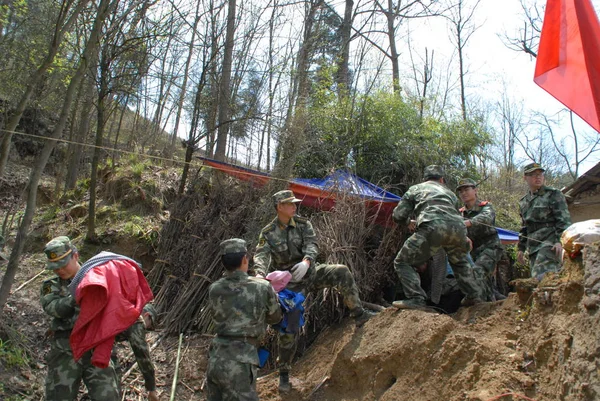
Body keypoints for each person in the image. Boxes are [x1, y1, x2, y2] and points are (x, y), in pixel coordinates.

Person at [253, 189, 375, 392]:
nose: (294, 206)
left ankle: (359, 314)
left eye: (294, 203)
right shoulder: (268, 232)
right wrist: (259, 274)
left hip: (310, 273)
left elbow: (313, 244)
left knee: (341, 272)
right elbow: (261, 255)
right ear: (279, 207)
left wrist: (307, 261)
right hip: (290, 285)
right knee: (289, 326)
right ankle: (284, 373)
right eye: (290, 203)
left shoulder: (303, 224)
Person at [40, 236, 120, 401]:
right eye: (55, 267)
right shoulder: (50, 285)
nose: (60, 270)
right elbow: (54, 308)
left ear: (75, 256)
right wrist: (78, 292)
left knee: (108, 396)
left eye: (63, 264)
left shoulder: (98, 276)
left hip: (96, 348)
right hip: (65, 351)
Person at [391, 165, 483, 310]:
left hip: (432, 228)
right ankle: (474, 296)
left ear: (425, 179)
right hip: (458, 229)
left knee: (402, 261)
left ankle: (416, 298)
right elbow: (455, 215)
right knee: (459, 263)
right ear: (441, 180)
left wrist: (408, 222)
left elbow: (398, 215)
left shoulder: (415, 189)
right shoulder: (450, 193)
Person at [206, 238, 282, 401]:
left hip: (216, 359)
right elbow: (275, 317)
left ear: (223, 262)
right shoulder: (261, 287)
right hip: (240, 361)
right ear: (244, 259)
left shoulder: (214, 289)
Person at [517, 163, 572, 279]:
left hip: (550, 244)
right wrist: (521, 249)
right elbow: (524, 227)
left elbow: (564, 220)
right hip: (533, 247)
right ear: (525, 178)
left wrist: (559, 241)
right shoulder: (523, 202)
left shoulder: (553, 194)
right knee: (537, 279)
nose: (538, 177)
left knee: (541, 277)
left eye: (540, 174)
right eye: (533, 175)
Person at [456, 178, 504, 301]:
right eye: (461, 191)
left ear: (475, 190)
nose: (464, 193)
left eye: (467, 189)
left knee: (478, 271)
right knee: (484, 282)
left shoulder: (486, 206)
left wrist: (468, 222)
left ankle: (478, 302)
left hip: (491, 247)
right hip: (474, 251)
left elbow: (486, 218)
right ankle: (495, 302)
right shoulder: (460, 213)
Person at [114, 303, 159, 401]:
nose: (146, 329)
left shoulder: (126, 309)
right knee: (113, 376)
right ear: (147, 315)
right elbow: (143, 357)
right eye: (149, 326)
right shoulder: (137, 320)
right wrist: (151, 389)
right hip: (97, 345)